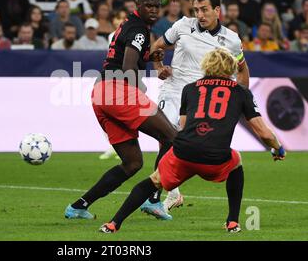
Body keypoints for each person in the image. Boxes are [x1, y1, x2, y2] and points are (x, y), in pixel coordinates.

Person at [99, 47, 286, 234]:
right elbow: (264, 133)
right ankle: (232, 222)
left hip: (183, 153)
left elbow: (183, 126)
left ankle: (113, 224)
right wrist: (278, 149)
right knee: (236, 161)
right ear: (231, 67)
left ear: (205, 65)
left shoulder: (190, 89)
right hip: (216, 157)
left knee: (153, 181)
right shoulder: (241, 92)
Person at [64, 0, 177, 221]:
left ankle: (78, 206)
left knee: (132, 163)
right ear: (138, 4)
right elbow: (127, 66)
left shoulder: (130, 24)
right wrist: (140, 85)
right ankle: (154, 200)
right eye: (148, 5)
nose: (154, 10)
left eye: (157, 6)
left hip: (101, 93)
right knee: (171, 136)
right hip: (118, 91)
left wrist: (149, 57)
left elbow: (128, 56)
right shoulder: (138, 30)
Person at [148, 0, 250, 213]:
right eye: (196, 10)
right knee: (166, 135)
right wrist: (158, 68)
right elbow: (157, 47)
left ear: (217, 10)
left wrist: (244, 100)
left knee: (184, 144)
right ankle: (158, 198)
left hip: (202, 98)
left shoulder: (231, 40)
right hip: (174, 90)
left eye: (204, 10)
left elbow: (242, 70)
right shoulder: (183, 25)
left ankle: (168, 194)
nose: (200, 15)